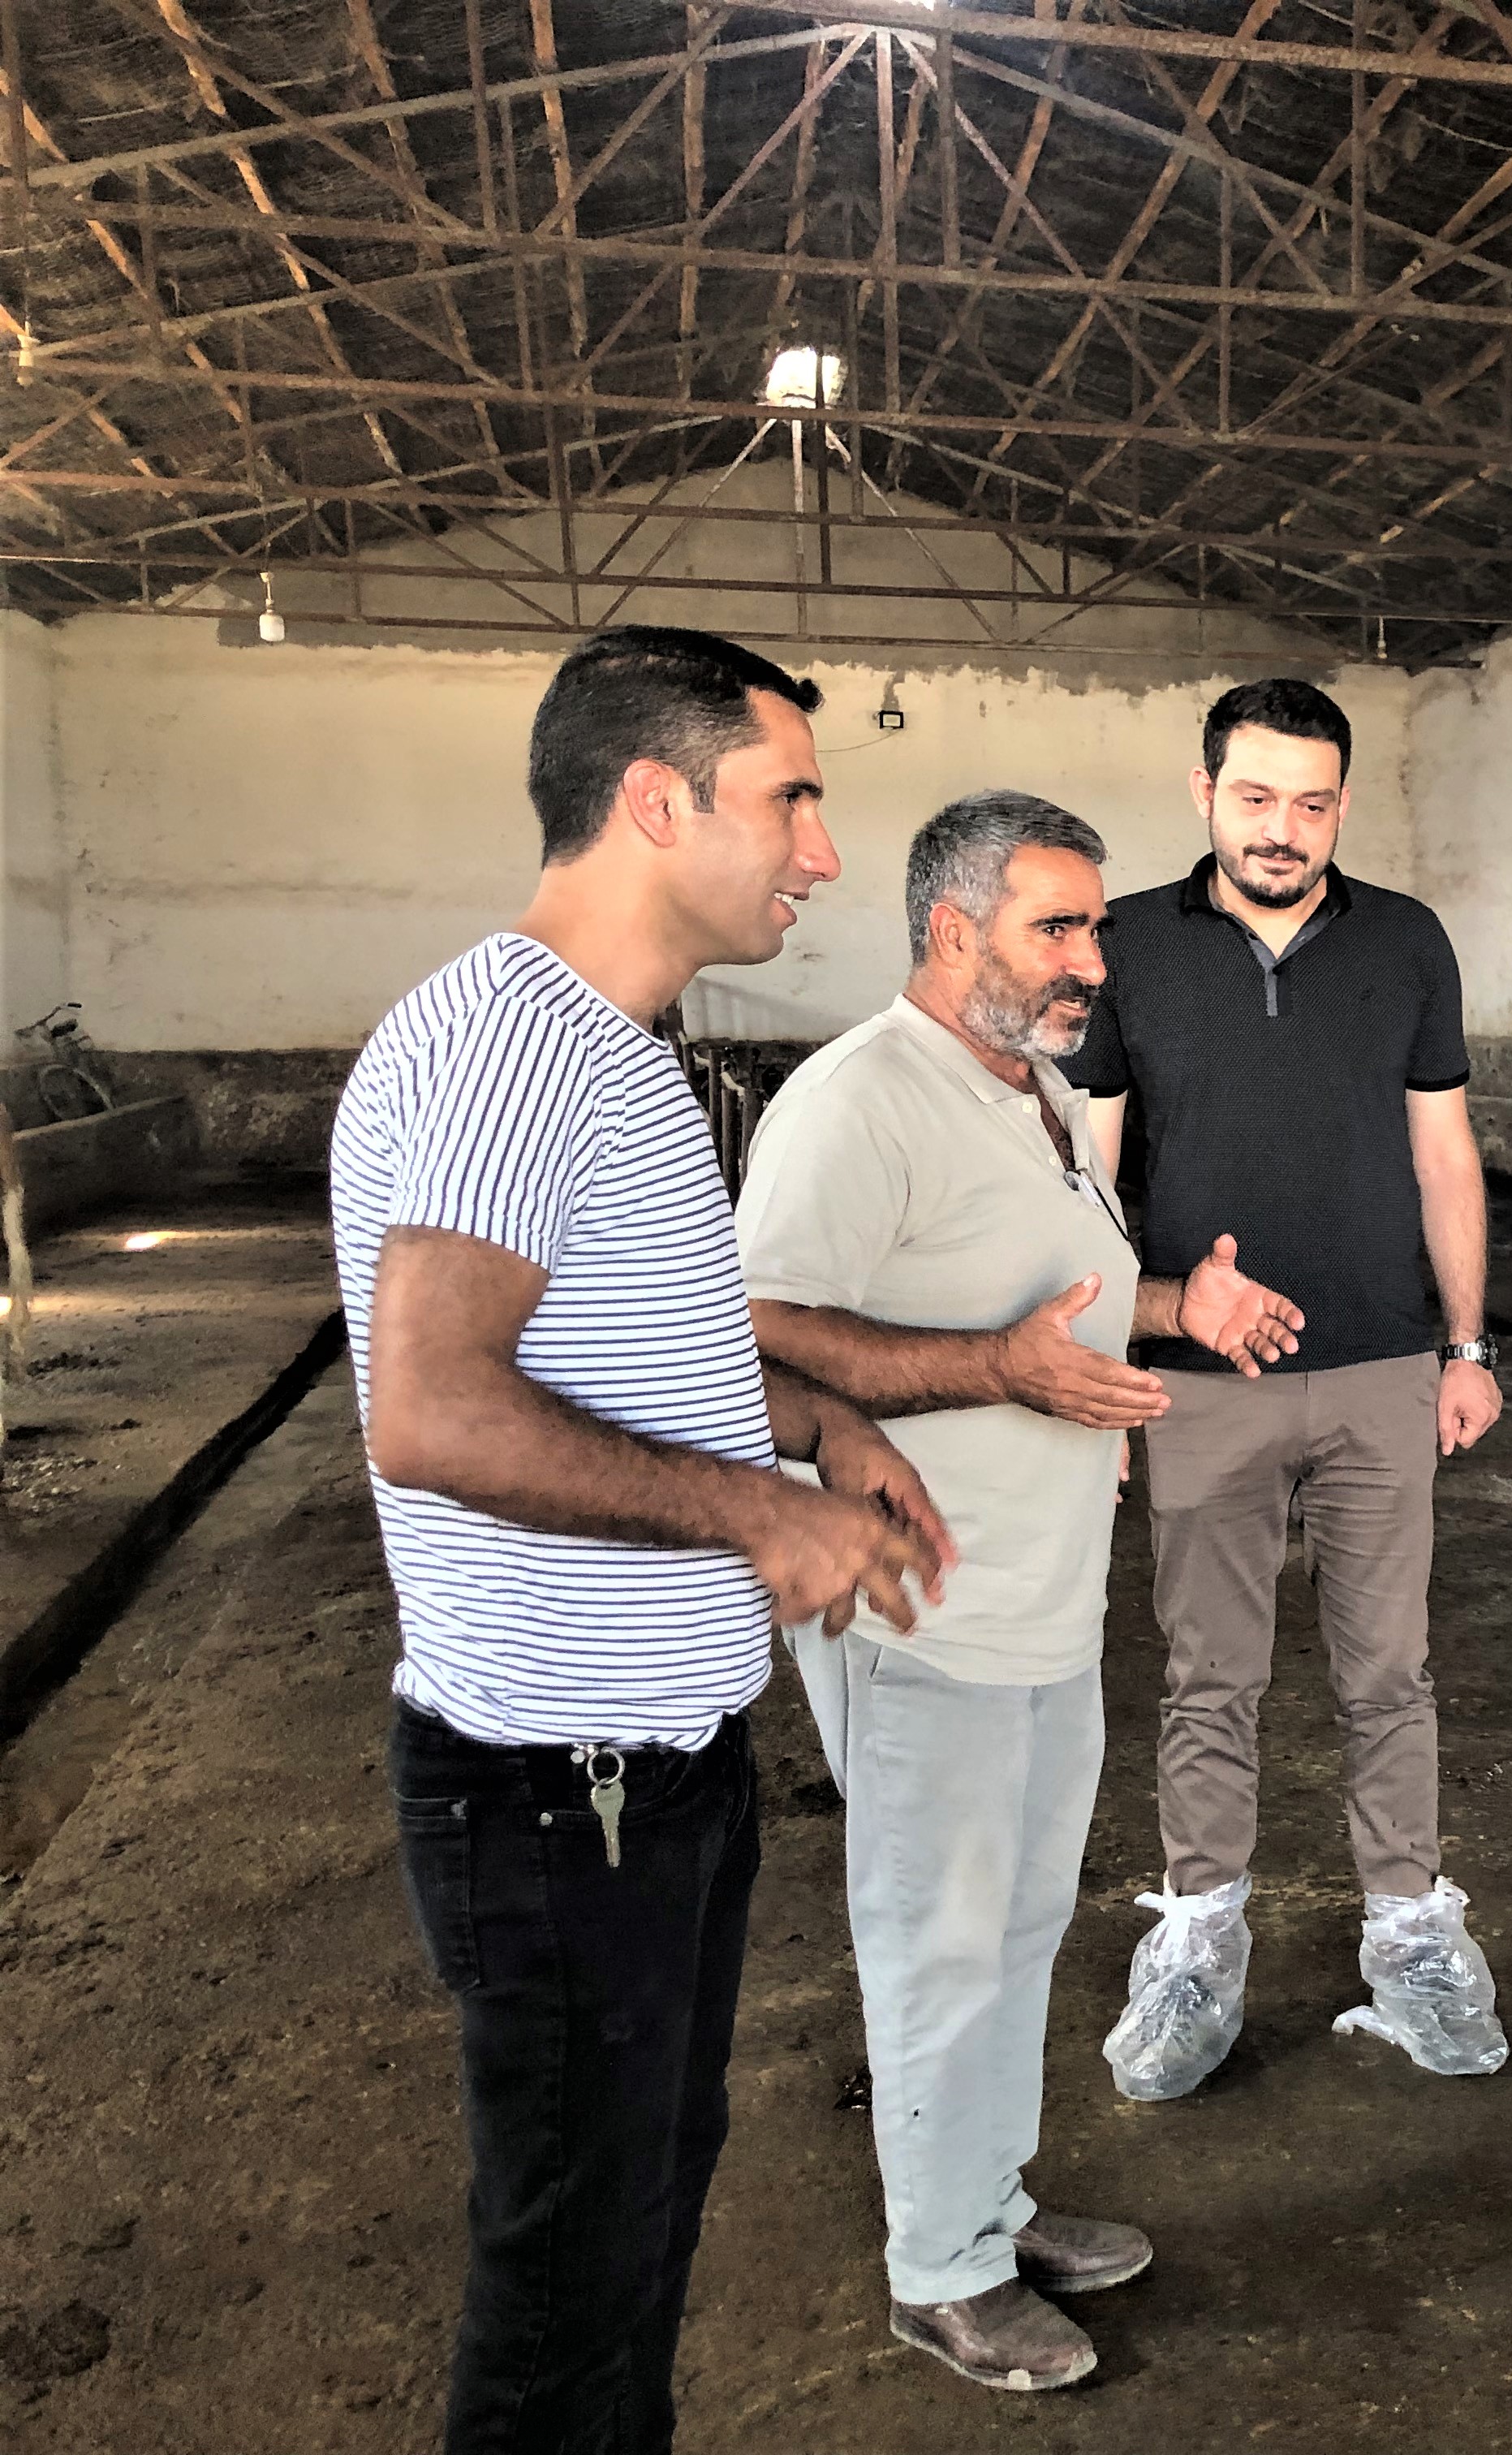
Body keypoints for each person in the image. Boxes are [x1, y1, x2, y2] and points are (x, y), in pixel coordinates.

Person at [333, 626, 950, 2454]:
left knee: (637, 2227)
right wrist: (758, 1510)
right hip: (558, 1796)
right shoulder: (516, 1046)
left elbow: (645, 1357)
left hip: (639, 1779)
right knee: (570, 2304)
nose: (822, 853)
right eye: (793, 801)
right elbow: (434, 1408)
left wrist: (818, 1426)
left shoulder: (612, 1053)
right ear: (657, 803)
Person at [735, 792, 1305, 2392]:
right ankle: (941, 2274)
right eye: (1056, 926)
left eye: (1096, 926)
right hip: (923, 1606)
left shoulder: (1037, 1093)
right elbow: (757, 1327)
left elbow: (1054, 1308)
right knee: (940, 1938)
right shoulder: (861, 1101)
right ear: (950, 928)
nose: (1092, 961)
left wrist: (1181, 1306)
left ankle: (985, 2205)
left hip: (1044, 1600)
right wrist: (996, 1371)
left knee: (1019, 1926)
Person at [1069, 677, 1508, 2097]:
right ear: (1204, 794)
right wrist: (1106, 1363)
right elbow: (1091, 1168)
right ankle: (1199, 1937)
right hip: (1202, 1380)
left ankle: (1410, 1931)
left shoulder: (1406, 941)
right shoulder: (1128, 944)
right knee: (1209, 1676)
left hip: (1382, 1366)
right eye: (1255, 797)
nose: (1282, 827)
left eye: (1311, 802)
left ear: (1341, 806)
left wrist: (1467, 1345)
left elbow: (1444, 1153)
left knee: (1392, 1674)